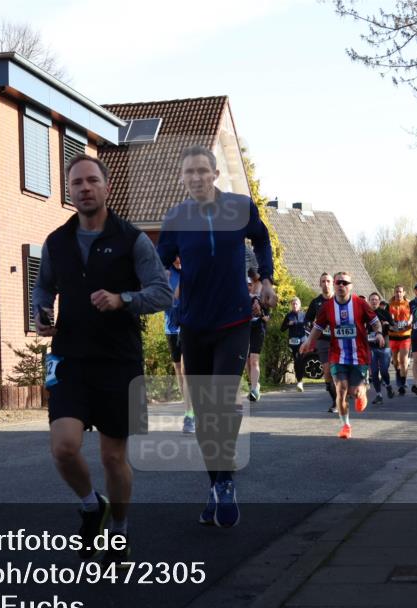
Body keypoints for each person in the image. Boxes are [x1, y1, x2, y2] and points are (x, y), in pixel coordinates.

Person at [33, 154, 171, 564]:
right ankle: (92, 505)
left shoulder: (132, 240)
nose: (85, 188)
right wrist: (41, 313)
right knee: (63, 447)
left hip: (118, 361)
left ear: (107, 187)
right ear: (69, 191)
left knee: (113, 457)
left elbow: (162, 293)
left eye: (92, 180)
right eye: (77, 183)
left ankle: (119, 530)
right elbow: (43, 288)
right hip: (69, 359)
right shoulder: (56, 242)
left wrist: (122, 299)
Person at [157, 144, 275, 529]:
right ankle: (217, 484)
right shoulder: (176, 217)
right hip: (193, 324)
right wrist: (162, 285)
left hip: (234, 320)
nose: (195, 177)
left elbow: (261, 238)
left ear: (215, 174)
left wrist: (266, 279)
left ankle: (224, 482)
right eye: (188, 172)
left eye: (201, 171)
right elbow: (159, 262)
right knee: (206, 414)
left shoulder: (239, 207)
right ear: (181, 178)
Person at [300, 272, 383, 439]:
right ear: (334, 285)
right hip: (337, 355)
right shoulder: (327, 307)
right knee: (341, 389)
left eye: (345, 283)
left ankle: (361, 392)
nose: (341, 285)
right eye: (338, 282)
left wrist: (379, 333)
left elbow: (375, 322)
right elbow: (317, 327)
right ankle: (345, 425)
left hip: (359, 355)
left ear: (350, 286)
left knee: (354, 392)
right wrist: (308, 342)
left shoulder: (360, 303)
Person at [165, 257, 194, 433]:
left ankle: (189, 413)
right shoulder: (166, 271)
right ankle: (189, 404)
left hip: (188, 325)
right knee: (178, 369)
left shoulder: (191, 268)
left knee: (185, 369)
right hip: (170, 326)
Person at [304, 273, 338, 411]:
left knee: (339, 370)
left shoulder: (339, 299)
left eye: (328, 281)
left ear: (333, 283)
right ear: (320, 284)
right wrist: (311, 328)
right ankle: (336, 401)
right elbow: (307, 320)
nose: (326, 284)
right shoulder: (316, 302)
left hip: (340, 340)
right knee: (328, 372)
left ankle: (344, 392)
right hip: (323, 340)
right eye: (323, 281)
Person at [367, 293, 394, 404]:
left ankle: (388, 385)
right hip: (371, 346)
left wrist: (388, 324)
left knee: (383, 371)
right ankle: (379, 395)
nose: (374, 301)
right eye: (372, 300)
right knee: (374, 372)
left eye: (376, 300)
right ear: (369, 301)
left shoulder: (384, 313)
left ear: (379, 301)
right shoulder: (365, 313)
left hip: (384, 346)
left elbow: (394, 327)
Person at [246, 270, 269, 401]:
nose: (249, 287)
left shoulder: (262, 298)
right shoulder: (241, 298)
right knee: (247, 361)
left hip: (258, 329)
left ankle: (255, 389)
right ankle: (253, 384)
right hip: (245, 330)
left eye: (250, 284)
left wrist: (261, 314)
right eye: (247, 284)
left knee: (254, 360)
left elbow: (267, 317)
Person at [387, 285, 412, 396]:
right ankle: (399, 373)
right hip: (393, 336)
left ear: (404, 292)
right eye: (396, 291)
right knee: (396, 361)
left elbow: (412, 315)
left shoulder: (408, 304)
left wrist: (409, 322)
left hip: (405, 335)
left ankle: (402, 383)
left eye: (400, 292)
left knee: (403, 360)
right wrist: (390, 324)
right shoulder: (389, 304)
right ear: (394, 292)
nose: (398, 293)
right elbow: (386, 318)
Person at [281, 297, 308, 392]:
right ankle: (299, 381)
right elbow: (282, 328)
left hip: (303, 341)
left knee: (300, 360)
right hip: (293, 342)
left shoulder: (304, 315)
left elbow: (310, 325)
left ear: (299, 305)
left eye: (296, 304)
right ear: (291, 305)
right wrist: (288, 324)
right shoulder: (289, 316)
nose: (295, 305)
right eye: (293, 304)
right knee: (296, 361)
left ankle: (300, 381)